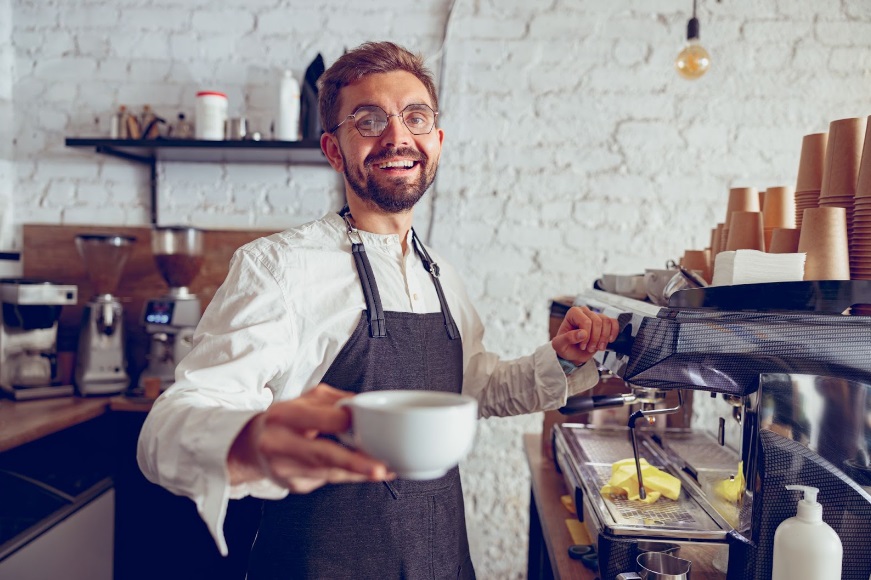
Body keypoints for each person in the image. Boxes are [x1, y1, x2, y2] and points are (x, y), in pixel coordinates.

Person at [137, 40, 619, 579]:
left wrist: (563, 359)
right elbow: (168, 426)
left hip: (441, 564)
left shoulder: (442, 277)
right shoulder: (278, 269)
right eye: (368, 120)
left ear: (435, 141)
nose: (397, 136)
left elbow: (474, 389)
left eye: (416, 117)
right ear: (334, 150)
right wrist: (248, 442)